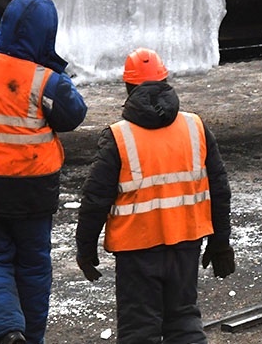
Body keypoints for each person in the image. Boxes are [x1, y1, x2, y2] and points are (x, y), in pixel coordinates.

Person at [0, 0, 88, 344]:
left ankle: (9, 330)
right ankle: (32, 338)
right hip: (31, 189)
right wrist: (56, 71)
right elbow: (73, 116)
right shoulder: (45, 81)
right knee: (33, 266)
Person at [75, 48, 234, 344]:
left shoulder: (119, 138)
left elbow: (95, 199)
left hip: (137, 252)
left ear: (128, 87)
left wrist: (85, 249)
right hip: (185, 244)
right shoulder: (195, 127)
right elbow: (219, 189)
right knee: (184, 320)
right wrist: (220, 242)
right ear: (165, 80)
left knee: (139, 330)